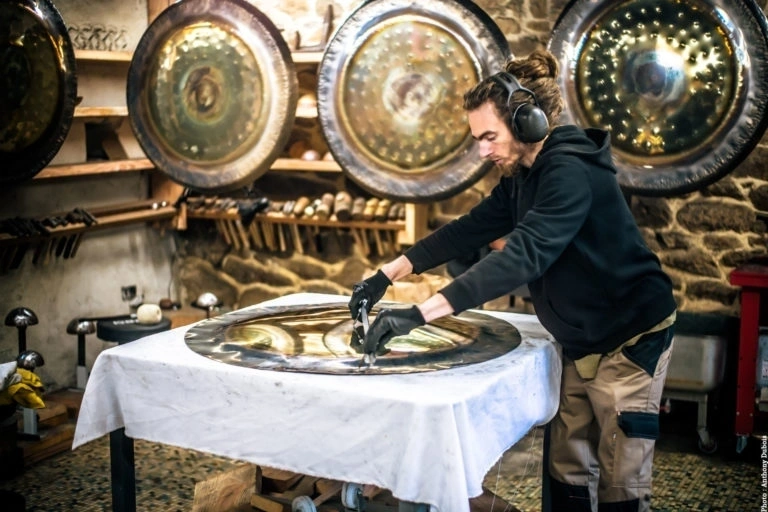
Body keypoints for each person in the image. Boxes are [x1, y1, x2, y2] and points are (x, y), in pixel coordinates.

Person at [348, 48, 677, 512]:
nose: (482, 151)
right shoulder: (523, 174)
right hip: (580, 337)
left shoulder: (570, 171)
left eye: (489, 137)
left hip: (630, 336)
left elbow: (523, 256)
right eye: (477, 139)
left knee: (620, 473)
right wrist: (387, 274)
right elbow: (468, 229)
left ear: (527, 124)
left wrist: (418, 315)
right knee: (568, 465)